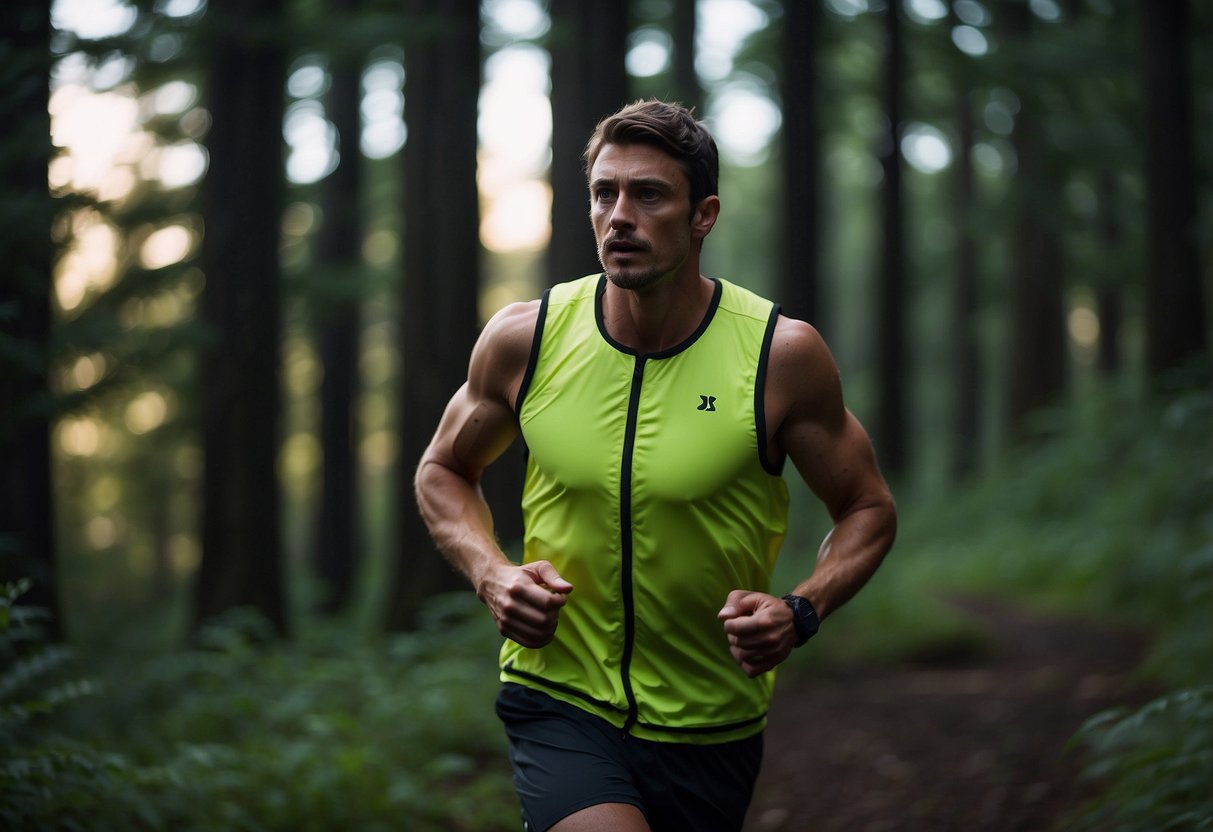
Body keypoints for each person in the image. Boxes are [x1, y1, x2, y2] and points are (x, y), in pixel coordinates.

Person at [414, 99, 897, 832]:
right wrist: (492, 573)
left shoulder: (779, 355)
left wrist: (800, 610)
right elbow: (442, 470)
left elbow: (867, 510)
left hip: (712, 721)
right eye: (603, 193)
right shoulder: (528, 338)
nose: (618, 216)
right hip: (560, 700)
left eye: (648, 195)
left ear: (702, 215)